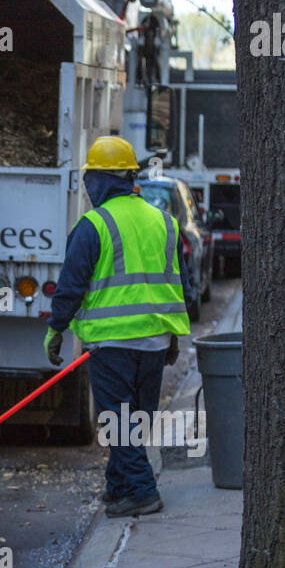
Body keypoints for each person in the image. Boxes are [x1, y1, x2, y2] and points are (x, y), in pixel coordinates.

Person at [42, 137, 193, 517]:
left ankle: (142, 491)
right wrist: (171, 336)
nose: (89, 187)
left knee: (118, 422)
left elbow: (71, 286)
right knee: (134, 420)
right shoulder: (165, 221)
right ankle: (118, 486)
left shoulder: (93, 225)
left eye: (91, 178)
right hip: (155, 342)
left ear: (100, 180)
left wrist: (56, 328)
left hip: (112, 343)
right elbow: (182, 288)